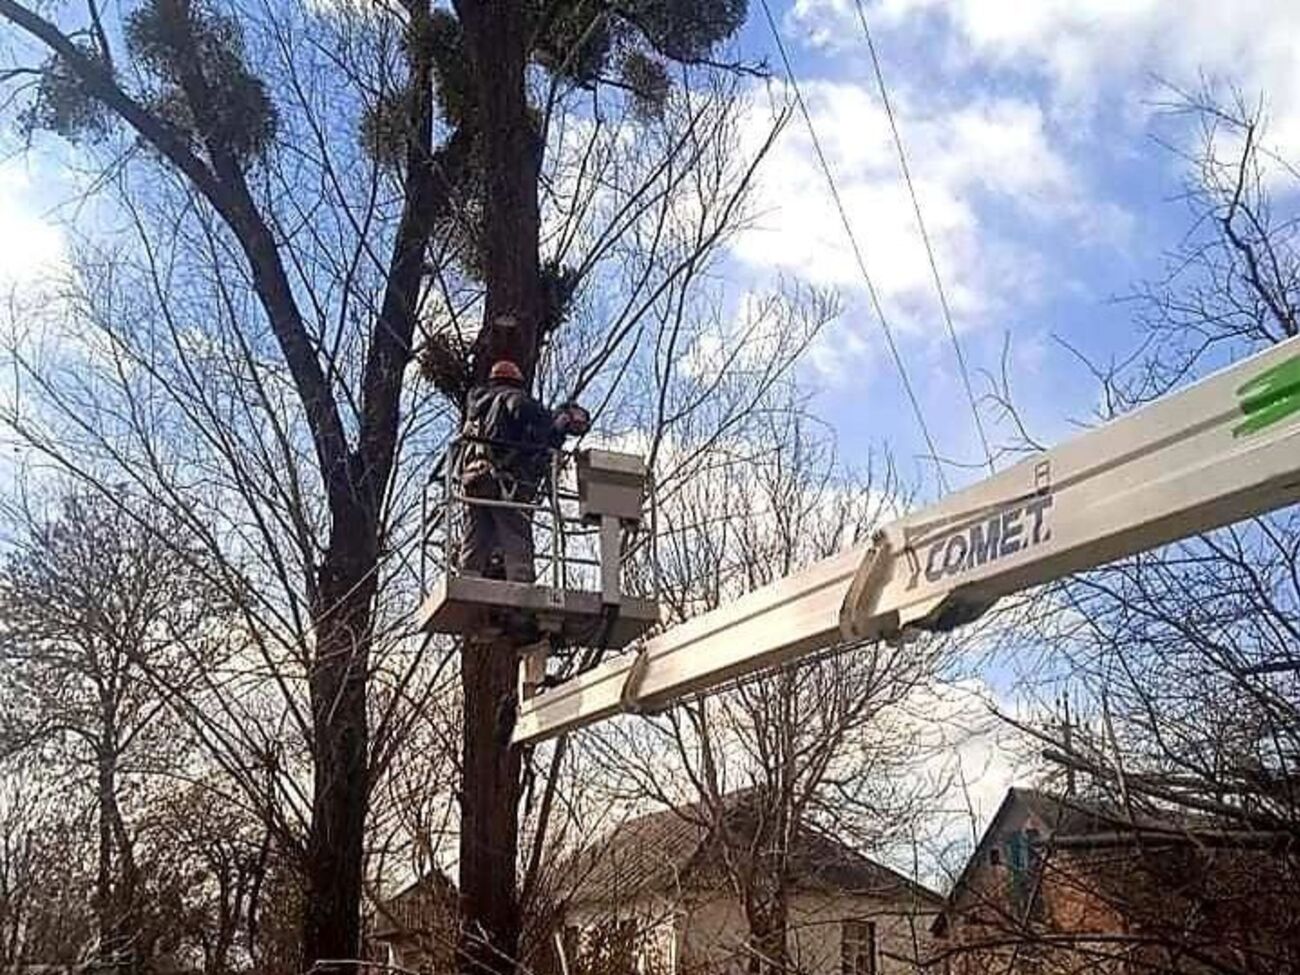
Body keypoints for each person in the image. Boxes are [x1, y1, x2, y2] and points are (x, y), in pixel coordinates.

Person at [458, 358, 589, 584]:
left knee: (476, 534)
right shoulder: (512, 397)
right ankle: (522, 582)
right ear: (516, 383)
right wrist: (559, 421)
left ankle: (466, 579)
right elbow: (530, 416)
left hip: (473, 479)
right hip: (500, 479)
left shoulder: (477, 405)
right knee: (515, 530)